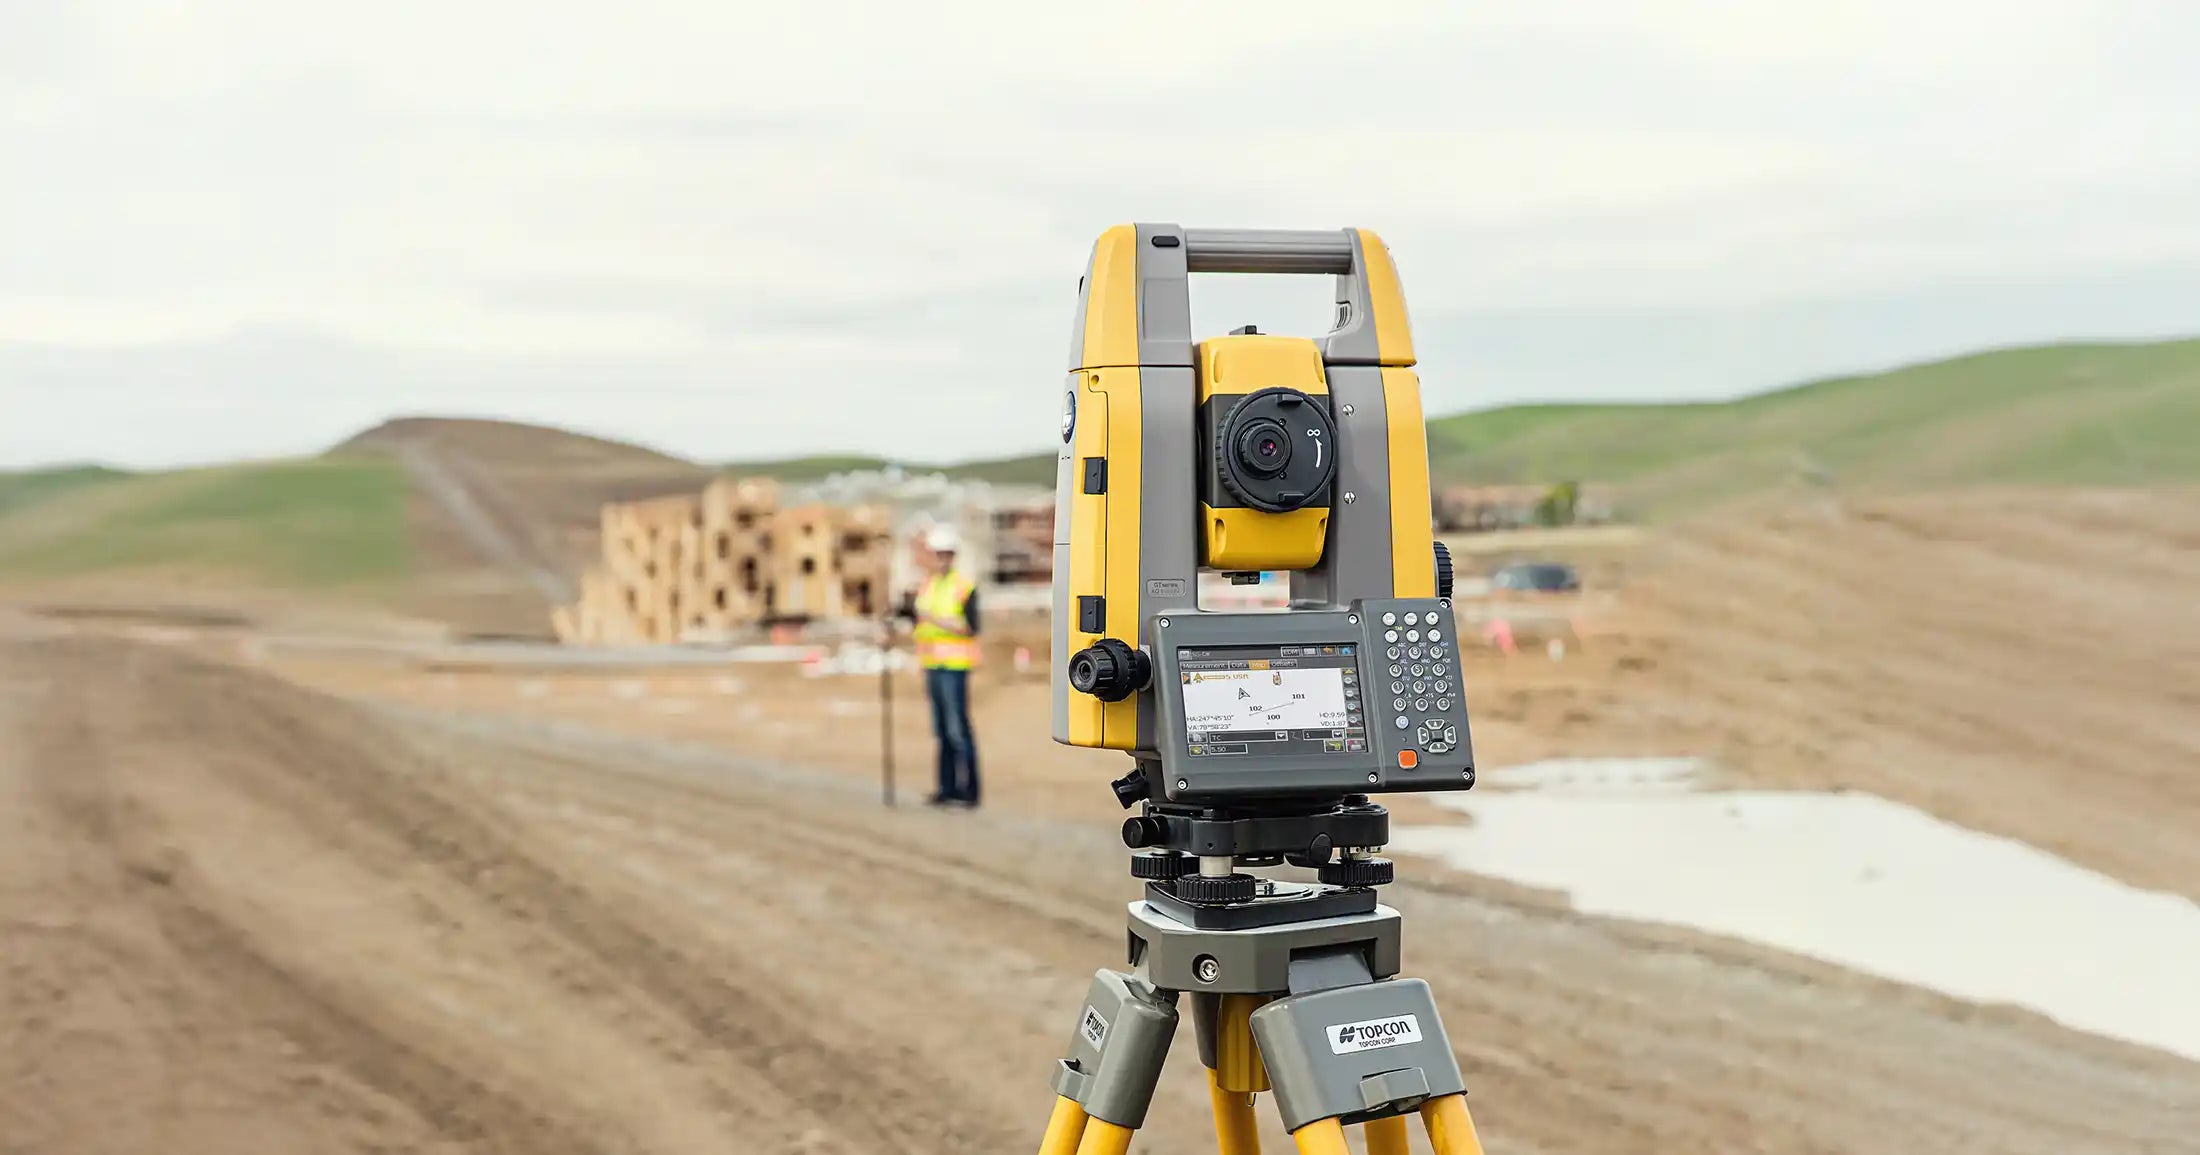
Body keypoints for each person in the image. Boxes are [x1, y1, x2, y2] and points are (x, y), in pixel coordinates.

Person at [907, 525, 981, 808]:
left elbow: (970, 627)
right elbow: (919, 622)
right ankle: (946, 788)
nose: (942, 559)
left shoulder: (963, 587)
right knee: (940, 730)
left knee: (957, 729)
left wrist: (934, 620)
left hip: (954, 666)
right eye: (938, 554)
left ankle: (970, 790)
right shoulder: (927, 585)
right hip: (932, 665)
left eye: (946, 554)